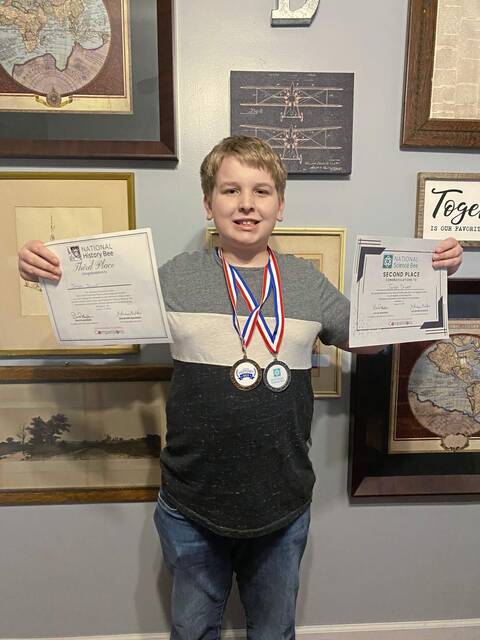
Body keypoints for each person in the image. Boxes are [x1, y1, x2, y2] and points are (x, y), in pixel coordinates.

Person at [18, 136, 463, 640]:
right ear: (208, 204)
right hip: (191, 503)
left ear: (280, 205)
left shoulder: (307, 282)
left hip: (282, 502)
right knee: (192, 630)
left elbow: (369, 341)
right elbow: (101, 309)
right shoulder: (175, 278)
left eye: (261, 191)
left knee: (274, 632)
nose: (246, 204)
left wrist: (430, 279)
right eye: (230, 190)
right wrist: (45, 274)